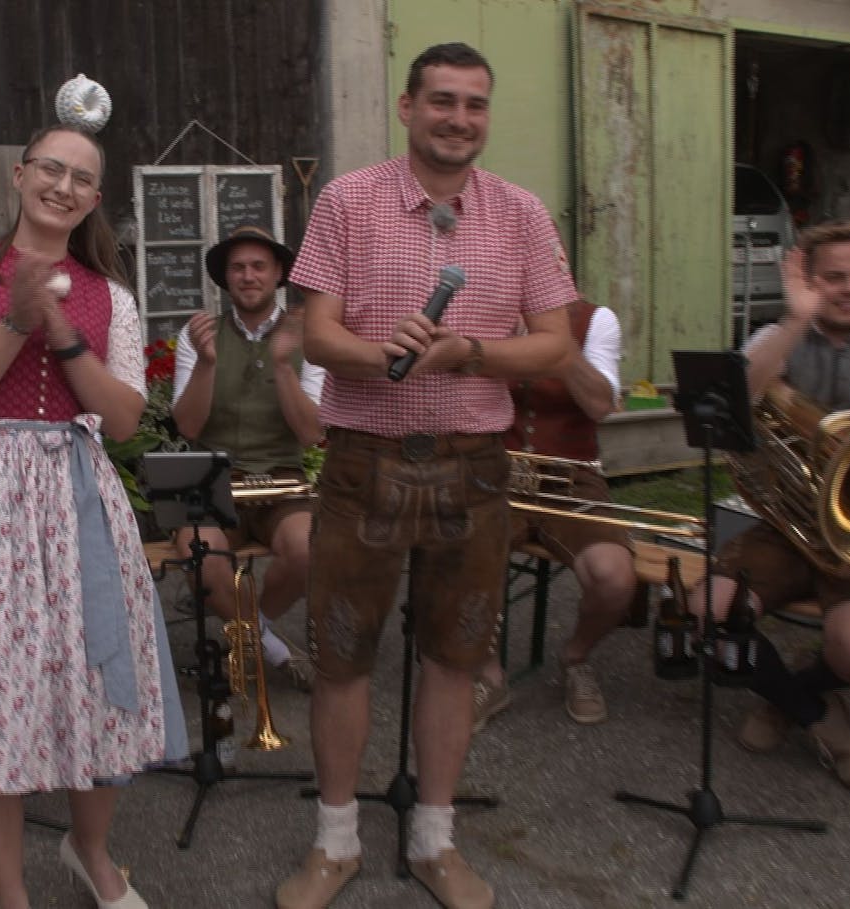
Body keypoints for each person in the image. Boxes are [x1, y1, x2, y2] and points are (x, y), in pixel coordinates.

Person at [276, 42, 577, 909]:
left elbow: (553, 340)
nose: (459, 118)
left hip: (474, 468)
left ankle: (434, 838)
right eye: (442, 101)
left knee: (454, 657)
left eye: (475, 104)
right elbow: (317, 335)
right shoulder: (349, 199)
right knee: (341, 659)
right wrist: (380, 354)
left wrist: (469, 350)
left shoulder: (520, 214)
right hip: (363, 460)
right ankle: (335, 842)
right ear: (406, 108)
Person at [0, 123, 184, 909]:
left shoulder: (109, 296)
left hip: (80, 493)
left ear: (94, 199)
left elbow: (121, 421)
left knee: (95, 679)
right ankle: (12, 895)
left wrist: (63, 331)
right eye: (51, 168)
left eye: (82, 178)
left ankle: (92, 853)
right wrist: (15, 320)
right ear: (18, 176)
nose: (64, 185)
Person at [691, 219, 850, 791]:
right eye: (834, 277)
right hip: (785, 521)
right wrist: (797, 320)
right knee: (708, 611)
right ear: (806, 280)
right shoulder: (774, 338)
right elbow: (737, 399)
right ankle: (822, 718)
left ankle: (787, 697)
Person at [169, 224, 326, 690]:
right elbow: (188, 427)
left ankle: (245, 629)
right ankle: (273, 647)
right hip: (212, 477)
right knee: (201, 551)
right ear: (225, 279)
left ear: (279, 274)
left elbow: (312, 433)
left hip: (282, 477)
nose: (248, 275)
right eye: (237, 267)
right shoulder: (198, 334)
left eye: (259, 266)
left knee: (309, 549)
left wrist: (282, 365)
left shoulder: (306, 338)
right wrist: (207, 363)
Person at [475, 299, 637, 728]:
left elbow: (601, 405)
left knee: (615, 576)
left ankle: (576, 657)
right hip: (495, 473)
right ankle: (487, 675)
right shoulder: (486, 312)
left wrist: (560, 348)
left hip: (571, 477)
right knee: (467, 551)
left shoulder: (596, 319)